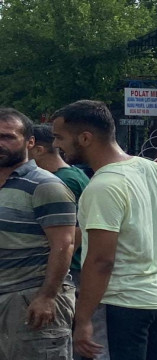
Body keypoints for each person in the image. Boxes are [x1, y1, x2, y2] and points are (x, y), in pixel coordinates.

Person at [51, 100, 157, 360]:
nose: (56, 145)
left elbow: (102, 260)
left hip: (124, 303)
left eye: (60, 137)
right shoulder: (153, 169)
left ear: (85, 138)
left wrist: (82, 318)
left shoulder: (103, 186)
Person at [0, 108, 77, 359]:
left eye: (8, 137)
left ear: (30, 142)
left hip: (29, 299)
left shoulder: (46, 185)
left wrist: (46, 296)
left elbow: (65, 245)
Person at [29, 124, 90, 286]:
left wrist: (61, 266)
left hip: (71, 268)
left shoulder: (61, 181)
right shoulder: (75, 173)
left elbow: (76, 230)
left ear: (38, 150)